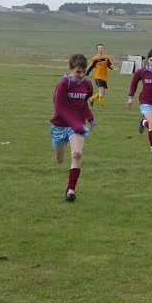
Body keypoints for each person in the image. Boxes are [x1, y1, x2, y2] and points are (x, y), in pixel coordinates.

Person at [50, 54, 95, 202]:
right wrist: (75, 123)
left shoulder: (87, 84)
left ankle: (70, 190)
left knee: (77, 154)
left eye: (83, 72)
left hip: (77, 126)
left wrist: (90, 119)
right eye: (78, 72)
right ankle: (59, 152)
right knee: (59, 159)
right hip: (59, 125)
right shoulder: (63, 84)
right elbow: (60, 107)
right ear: (71, 69)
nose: (81, 75)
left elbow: (84, 103)